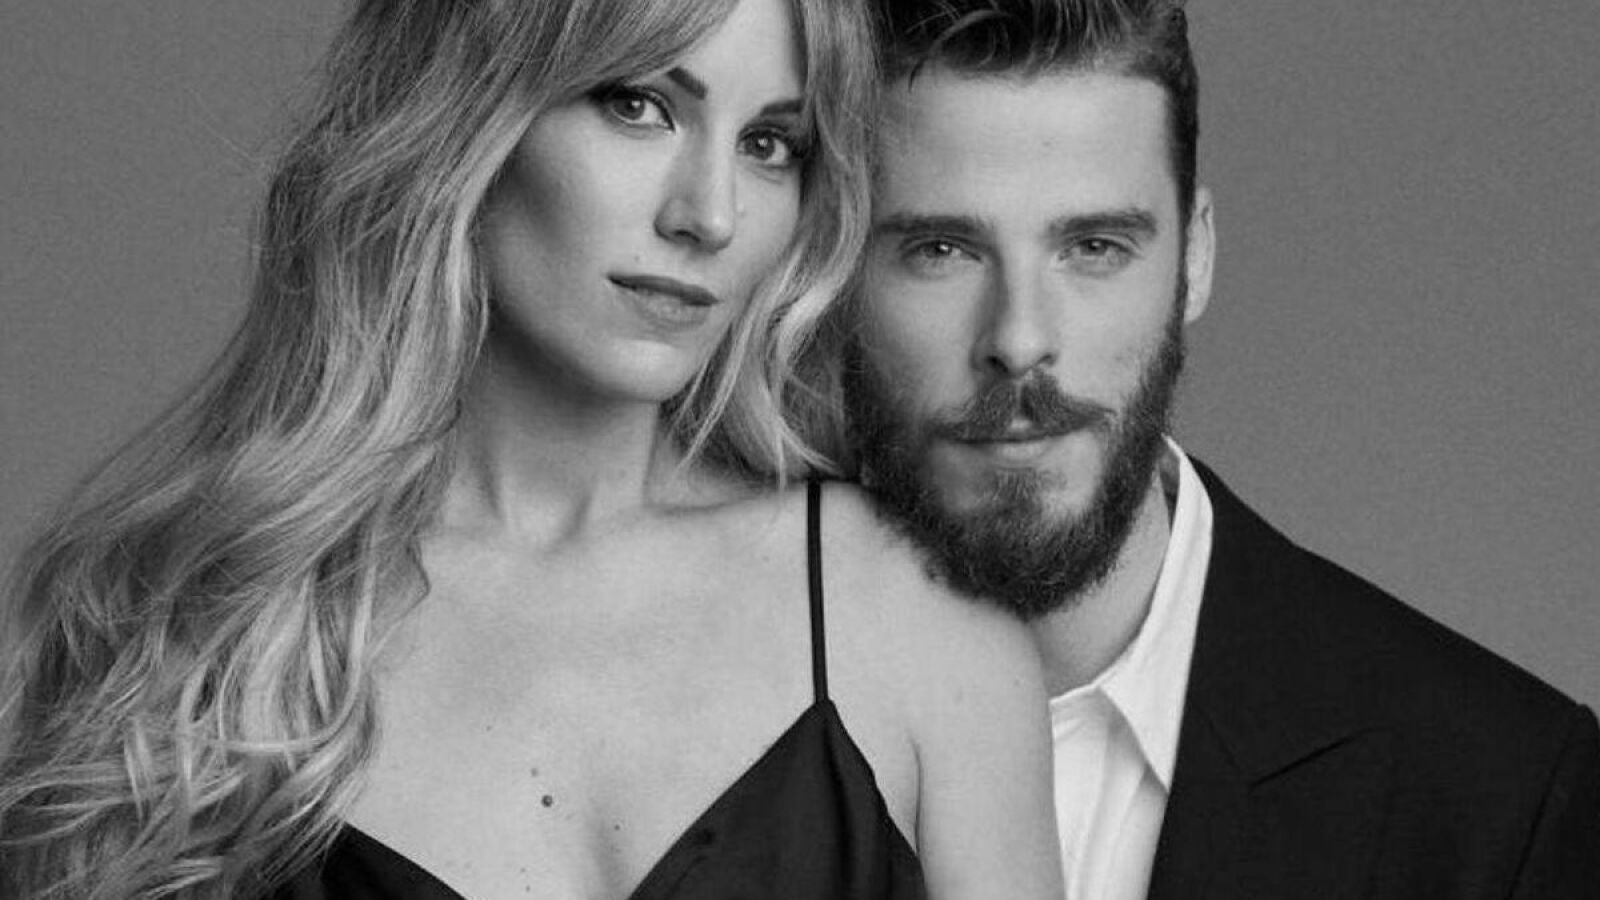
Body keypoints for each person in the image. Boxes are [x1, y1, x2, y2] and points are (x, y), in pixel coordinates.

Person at [0, 0, 1064, 897]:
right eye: (638, 105)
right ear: (469, 118)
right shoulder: (178, 633)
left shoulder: (917, 623)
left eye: (769, 144)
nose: (710, 214)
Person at [831, 0, 1600, 897]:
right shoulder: (703, 709)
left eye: (1094, 247)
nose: (1019, 339)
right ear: (828, 265)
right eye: (941, 249)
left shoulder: (1504, 798)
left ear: (1194, 258)